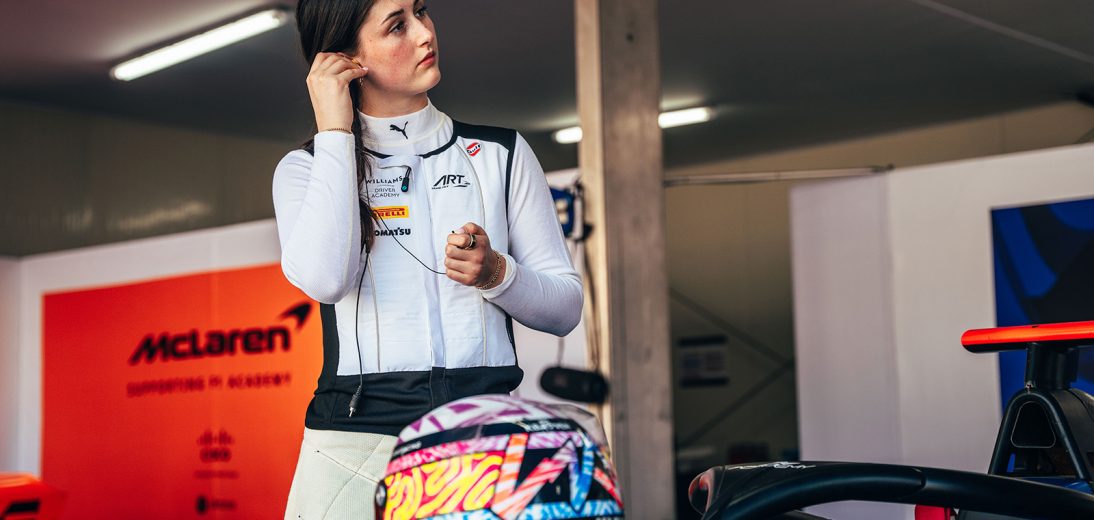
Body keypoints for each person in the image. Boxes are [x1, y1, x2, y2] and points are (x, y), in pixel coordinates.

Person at [272, 1, 582, 518]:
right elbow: (326, 280)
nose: (424, 33)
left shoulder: (501, 153)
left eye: (420, 11)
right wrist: (334, 133)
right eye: (397, 25)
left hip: (485, 437)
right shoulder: (305, 168)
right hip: (353, 444)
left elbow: (566, 309)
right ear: (347, 58)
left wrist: (498, 274)